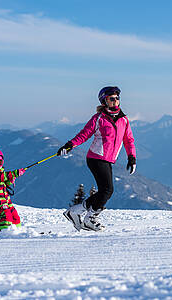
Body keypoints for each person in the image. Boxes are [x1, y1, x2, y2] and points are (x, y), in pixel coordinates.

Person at [58, 86, 137, 231]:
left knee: (105, 191)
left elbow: (128, 140)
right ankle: (90, 219)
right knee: (107, 190)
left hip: (108, 160)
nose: (115, 101)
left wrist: (131, 158)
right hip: (96, 158)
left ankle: (75, 211)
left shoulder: (123, 120)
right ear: (104, 101)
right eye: (111, 99)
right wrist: (70, 145)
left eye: (117, 98)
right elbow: (84, 134)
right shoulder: (98, 118)